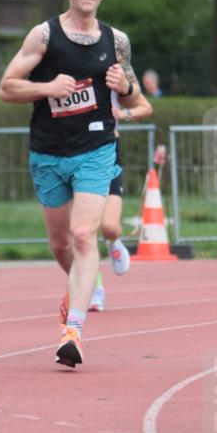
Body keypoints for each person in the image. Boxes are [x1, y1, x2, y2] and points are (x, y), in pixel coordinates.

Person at [0, 0, 141, 368]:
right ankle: (84, 281)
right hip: (48, 152)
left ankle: (72, 332)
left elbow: (134, 97)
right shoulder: (44, 35)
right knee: (62, 244)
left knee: (83, 235)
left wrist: (125, 86)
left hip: (96, 149)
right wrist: (47, 88)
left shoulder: (117, 40)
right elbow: (7, 88)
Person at [89, 92, 154, 312]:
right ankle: (94, 289)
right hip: (73, 151)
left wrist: (122, 113)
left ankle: (113, 241)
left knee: (109, 226)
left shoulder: (114, 75)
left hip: (107, 150)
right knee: (84, 232)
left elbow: (145, 107)